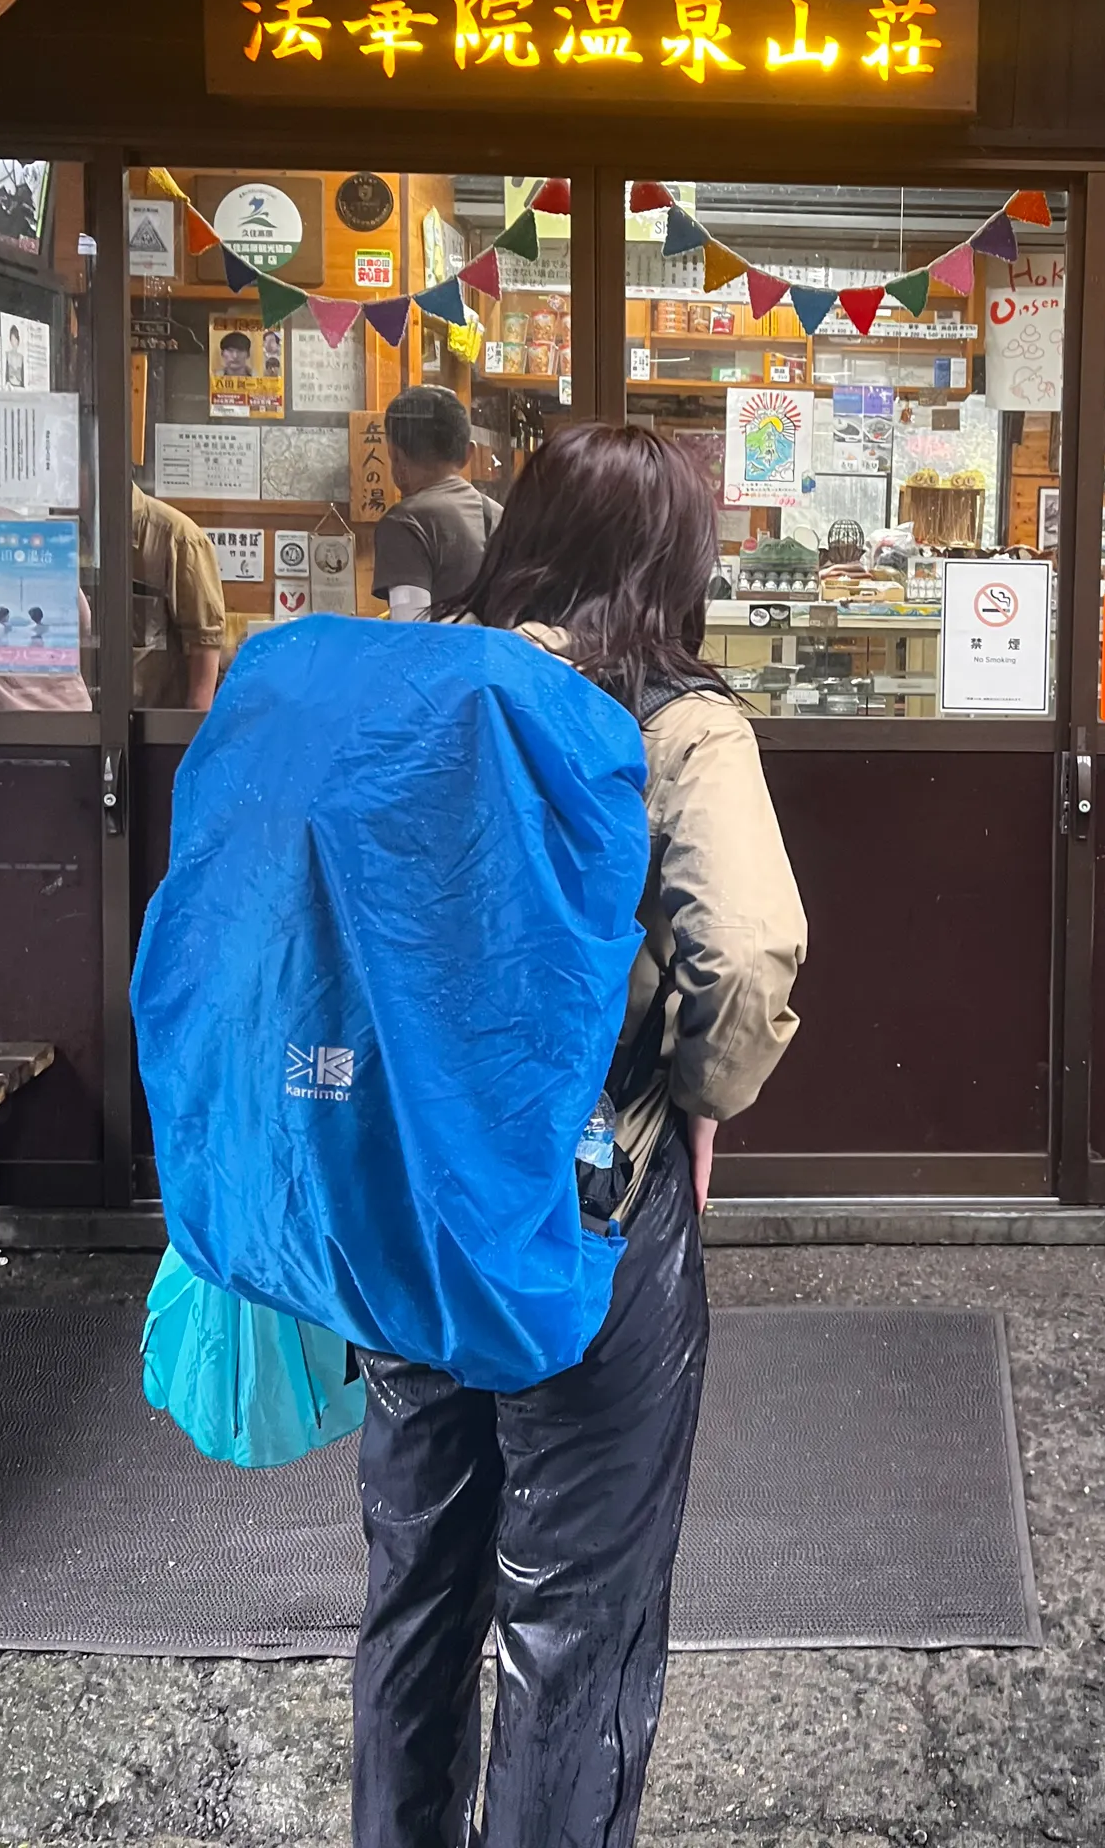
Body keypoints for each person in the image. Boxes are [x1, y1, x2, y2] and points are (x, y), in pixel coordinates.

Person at [351, 422, 806, 1848]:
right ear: (674, 561)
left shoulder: (424, 688)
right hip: (587, 1202)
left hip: (411, 1195)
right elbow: (740, 955)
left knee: (419, 1582)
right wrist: (705, 1095)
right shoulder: (677, 722)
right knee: (576, 1609)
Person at [370, 384, 501, 621]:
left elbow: (409, 631)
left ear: (395, 456)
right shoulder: (499, 515)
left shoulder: (404, 523)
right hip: (494, 656)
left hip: (443, 657)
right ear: (468, 454)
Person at [132, 482, 225, 710]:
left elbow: (205, 641)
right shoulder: (69, 530)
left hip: (152, 726)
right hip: (80, 720)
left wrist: (190, 731)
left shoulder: (180, 537)